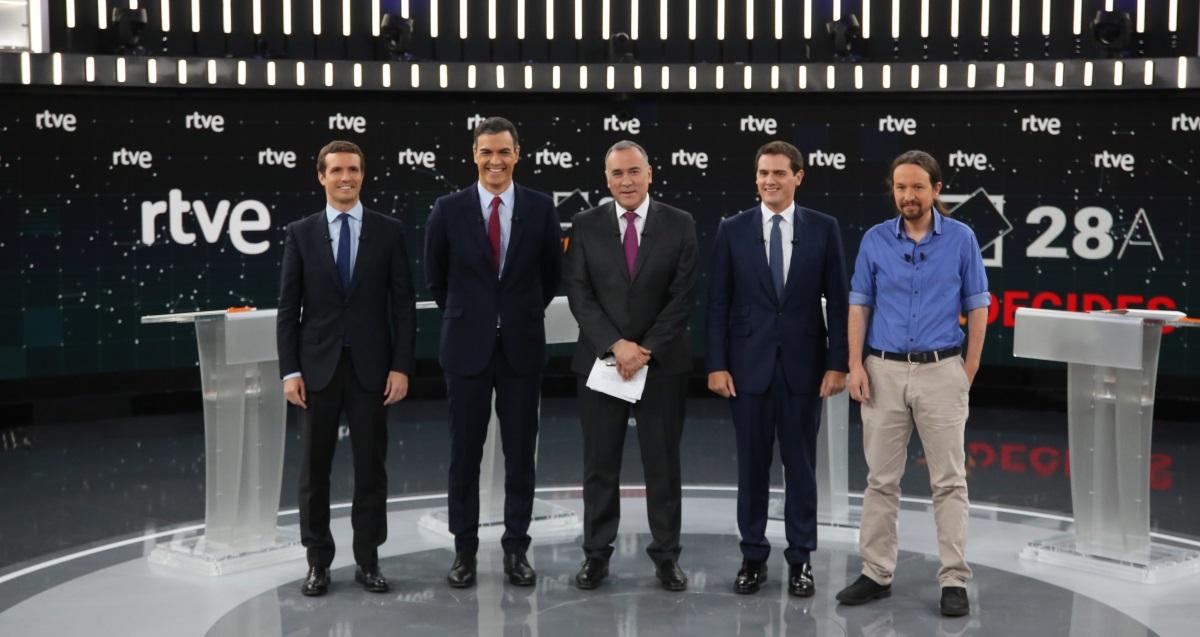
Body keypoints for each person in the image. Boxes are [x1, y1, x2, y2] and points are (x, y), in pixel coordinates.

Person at [834, 150, 989, 618]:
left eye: (917, 187)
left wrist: (969, 370)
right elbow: (859, 303)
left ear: (936, 189)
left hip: (943, 370)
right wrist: (855, 366)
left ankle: (954, 579)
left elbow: (978, 305)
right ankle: (876, 572)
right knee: (880, 480)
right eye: (901, 187)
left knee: (949, 481)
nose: (908, 195)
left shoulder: (961, 238)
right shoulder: (875, 240)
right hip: (882, 370)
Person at [423, 116, 562, 588]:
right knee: (464, 454)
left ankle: (516, 552)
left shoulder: (541, 208)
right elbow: (437, 280)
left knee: (521, 454)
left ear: (517, 154)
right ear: (474, 155)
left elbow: (551, 276)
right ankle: (463, 551)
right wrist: (478, 317)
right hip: (466, 350)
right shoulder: (447, 209)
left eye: (504, 151)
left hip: (521, 348)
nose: (495, 161)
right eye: (486, 152)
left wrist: (513, 316)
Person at [706, 140, 849, 598]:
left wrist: (837, 363)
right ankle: (752, 556)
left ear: (798, 177)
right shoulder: (732, 229)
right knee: (751, 468)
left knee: (801, 468)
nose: (770, 180)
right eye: (763, 173)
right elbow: (718, 304)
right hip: (747, 370)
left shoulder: (824, 229)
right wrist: (716, 364)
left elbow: (841, 303)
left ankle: (801, 559)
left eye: (779, 173)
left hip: (804, 371)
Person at [277, 140, 416, 596]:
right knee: (314, 473)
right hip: (316, 371)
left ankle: (368, 561)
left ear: (363, 174)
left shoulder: (389, 231)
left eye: (353, 169)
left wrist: (401, 367)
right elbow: (288, 309)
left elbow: (404, 307)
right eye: (336, 170)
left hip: (373, 372)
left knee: (371, 470)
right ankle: (318, 562)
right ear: (321, 176)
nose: (345, 177)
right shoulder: (300, 233)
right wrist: (290, 371)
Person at [563, 140, 697, 591]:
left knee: (663, 465)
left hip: (660, 366)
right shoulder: (584, 225)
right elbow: (578, 293)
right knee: (600, 465)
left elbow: (683, 297)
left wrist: (643, 350)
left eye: (634, 172)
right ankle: (596, 555)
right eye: (618, 174)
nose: (626, 181)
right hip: (601, 364)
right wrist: (616, 345)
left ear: (650, 173)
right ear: (606, 179)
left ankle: (666, 556)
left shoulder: (680, 224)